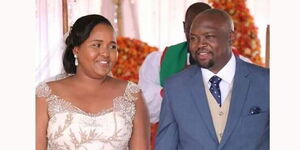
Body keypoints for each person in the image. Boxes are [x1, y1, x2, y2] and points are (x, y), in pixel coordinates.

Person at [155, 9, 269, 150]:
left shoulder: (266, 82)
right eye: (193, 38)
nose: (199, 45)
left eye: (208, 37)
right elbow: (166, 145)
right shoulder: (175, 87)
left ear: (231, 37)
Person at [36, 14, 150, 150]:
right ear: (76, 50)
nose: (106, 53)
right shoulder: (46, 94)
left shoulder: (132, 95)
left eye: (112, 47)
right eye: (97, 45)